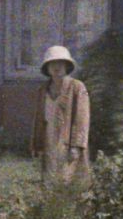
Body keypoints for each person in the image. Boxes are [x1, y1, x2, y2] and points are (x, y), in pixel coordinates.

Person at [30, 45, 91, 183]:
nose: (56, 67)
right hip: (48, 139)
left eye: (60, 63)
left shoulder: (77, 87)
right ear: (47, 67)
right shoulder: (43, 89)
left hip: (67, 141)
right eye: (52, 63)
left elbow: (82, 119)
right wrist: (36, 145)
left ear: (67, 66)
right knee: (50, 179)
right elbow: (38, 119)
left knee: (68, 179)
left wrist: (76, 146)